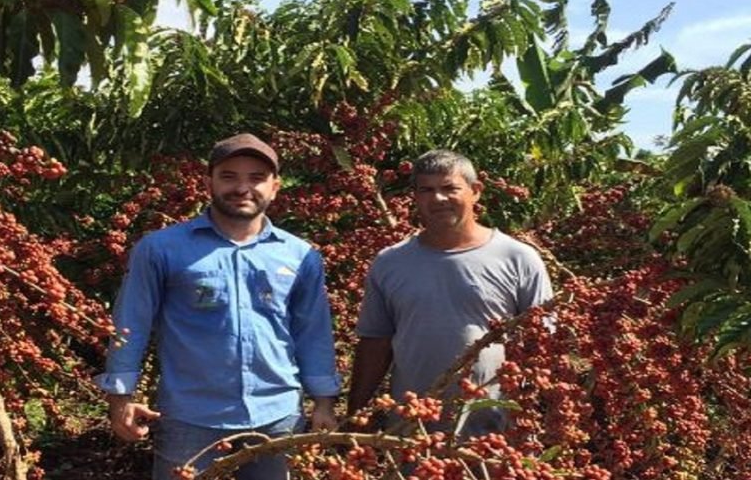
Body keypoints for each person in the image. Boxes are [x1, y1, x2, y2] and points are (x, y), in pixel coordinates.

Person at [95, 133, 340, 479]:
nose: (242, 188)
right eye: (229, 176)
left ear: (275, 187)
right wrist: (120, 397)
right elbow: (130, 323)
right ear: (208, 182)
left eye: (256, 178)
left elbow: (312, 331)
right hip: (189, 419)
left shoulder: (300, 256)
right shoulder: (161, 249)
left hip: (278, 416)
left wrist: (324, 402)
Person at [347, 149, 553, 436]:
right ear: (415, 197)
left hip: (495, 432)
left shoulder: (517, 258)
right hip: (413, 429)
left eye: (449, 188)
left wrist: (536, 416)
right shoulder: (390, 263)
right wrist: (355, 415)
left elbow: (542, 344)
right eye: (427, 190)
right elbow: (375, 343)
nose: (438, 198)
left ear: (475, 191)